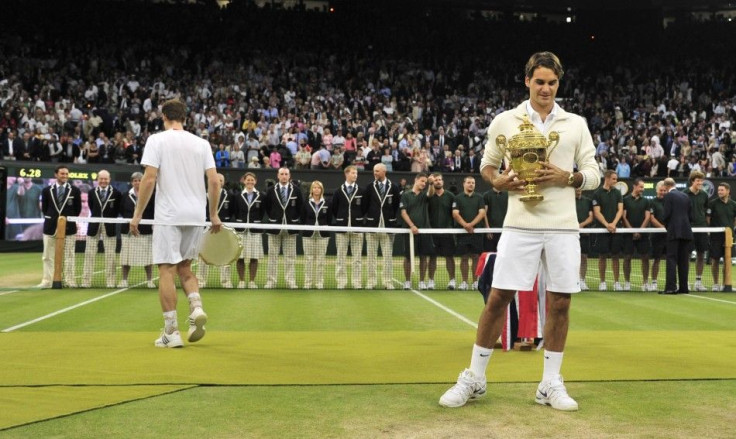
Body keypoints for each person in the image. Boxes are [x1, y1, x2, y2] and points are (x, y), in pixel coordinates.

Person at [439, 52, 600, 411]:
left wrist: (568, 177)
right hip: (519, 223)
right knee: (498, 298)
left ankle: (550, 384)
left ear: (559, 84)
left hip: (562, 227)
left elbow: (594, 173)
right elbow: (486, 166)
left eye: (552, 83)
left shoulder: (575, 123)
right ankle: (475, 378)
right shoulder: (504, 121)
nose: (545, 88)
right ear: (527, 80)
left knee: (561, 301)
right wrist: (498, 181)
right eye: (539, 81)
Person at [130, 99, 222, 349]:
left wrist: (137, 214)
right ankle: (196, 308)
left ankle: (171, 332)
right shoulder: (201, 143)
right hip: (195, 215)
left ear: (164, 117)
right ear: (185, 117)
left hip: (169, 215)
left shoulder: (156, 140)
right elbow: (214, 182)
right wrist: (213, 214)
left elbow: (149, 179)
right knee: (186, 268)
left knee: (166, 270)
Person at [38, 165, 82, 289]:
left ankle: (69, 280)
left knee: (69, 255)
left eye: (66, 174)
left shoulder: (75, 190)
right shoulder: (47, 190)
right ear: (56, 174)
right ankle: (47, 280)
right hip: (50, 227)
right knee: (47, 256)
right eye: (62, 174)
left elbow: (77, 209)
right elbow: (45, 209)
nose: (65, 176)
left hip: (69, 227)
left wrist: (66, 221)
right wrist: (53, 219)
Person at [263, 167, 304, 289]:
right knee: (272, 257)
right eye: (282, 174)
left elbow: (300, 207)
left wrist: (293, 219)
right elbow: (268, 207)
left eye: (286, 174)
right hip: (274, 227)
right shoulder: (270, 190)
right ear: (278, 176)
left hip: (290, 228)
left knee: (290, 257)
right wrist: (274, 218)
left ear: (289, 176)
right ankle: (271, 282)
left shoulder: (296, 190)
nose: (284, 176)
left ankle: (290, 281)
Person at [81, 170, 122, 288]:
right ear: (97, 179)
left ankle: (110, 282)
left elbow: (117, 209)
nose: (103, 181)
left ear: (109, 179)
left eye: (106, 179)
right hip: (94, 226)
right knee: (89, 254)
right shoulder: (91, 192)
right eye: (101, 179)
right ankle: (86, 282)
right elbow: (92, 207)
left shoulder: (116, 193)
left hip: (110, 228)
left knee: (111, 256)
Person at [364, 163, 401, 289]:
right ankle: (371, 282)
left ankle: (387, 282)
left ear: (384, 172)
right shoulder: (369, 187)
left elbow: (396, 205)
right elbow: (366, 205)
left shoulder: (394, 187)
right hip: (372, 226)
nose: (375, 173)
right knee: (371, 257)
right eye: (374, 171)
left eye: (377, 171)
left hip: (388, 226)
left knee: (388, 257)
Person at [330, 165, 365, 289]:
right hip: (341, 227)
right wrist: (341, 219)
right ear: (346, 174)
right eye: (353, 173)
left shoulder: (361, 190)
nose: (355, 175)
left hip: (357, 228)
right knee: (340, 257)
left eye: (356, 173)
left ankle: (357, 283)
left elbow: (364, 208)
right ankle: (341, 282)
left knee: (357, 258)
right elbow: (334, 208)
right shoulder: (338, 191)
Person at [118, 172, 155, 289]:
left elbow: (153, 211)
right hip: (128, 231)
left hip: (145, 230)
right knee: (126, 258)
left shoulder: (151, 195)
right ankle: (124, 280)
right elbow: (122, 210)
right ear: (132, 182)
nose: (137, 182)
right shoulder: (125, 195)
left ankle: (150, 281)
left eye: (139, 180)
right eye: (135, 180)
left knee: (148, 258)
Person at [197, 173, 234, 289]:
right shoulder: (203, 196)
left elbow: (232, 211)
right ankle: (201, 281)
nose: (219, 181)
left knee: (225, 255)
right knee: (203, 255)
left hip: (223, 230)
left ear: (223, 182)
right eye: (217, 179)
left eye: (221, 180)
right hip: (206, 230)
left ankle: (226, 281)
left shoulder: (230, 196)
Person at [399, 173, 435, 290]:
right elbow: (403, 213)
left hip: (424, 231)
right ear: (416, 180)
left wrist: (431, 183)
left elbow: (431, 193)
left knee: (423, 257)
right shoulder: (406, 195)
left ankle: (421, 281)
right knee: (408, 257)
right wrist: (412, 226)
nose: (424, 184)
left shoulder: (425, 195)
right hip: (409, 232)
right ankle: (407, 281)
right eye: (422, 181)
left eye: (425, 182)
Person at [659, 178, 693, 295]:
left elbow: (666, 215)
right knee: (684, 260)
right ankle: (684, 288)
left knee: (671, 259)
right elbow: (690, 215)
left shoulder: (669, 196)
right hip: (686, 232)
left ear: (667, 186)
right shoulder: (685, 196)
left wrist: (668, 227)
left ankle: (670, 288)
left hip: (674, 231)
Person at [452, 176, 486, 291]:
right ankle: (464, 282)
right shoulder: (458, 198)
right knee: (464, 257)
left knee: (476, 257)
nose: (471, 184)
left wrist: (471, 224)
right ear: (464, 184)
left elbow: (482, 213)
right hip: (463, 232)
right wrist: (465, 225)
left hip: (476, 232)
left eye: (473, 183)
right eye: (469, 182)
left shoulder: (480, 198)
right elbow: (455, 214)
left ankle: (475, 282)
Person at [592, 170, 624, 290]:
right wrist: (607, 225)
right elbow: (597, 212)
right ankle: (602, 282)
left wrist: (614, 224)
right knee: (602, 256)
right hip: (602, 230)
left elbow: (620, 210)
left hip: (615, 229)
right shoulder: (597, 194)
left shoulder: (618, 193)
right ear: (607, 178)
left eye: (616, 179)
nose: (616, 181)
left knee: (615, 256)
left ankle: (616, 282)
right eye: (614, 179)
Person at [233, 172, 264, 289]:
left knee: (254, 257)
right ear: (244, 181)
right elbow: (235, 211)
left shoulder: (261, 196)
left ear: (255, 181)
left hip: (255, 230)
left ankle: (251, 281)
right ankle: (241, 281)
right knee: (240, 257)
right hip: (241, 230)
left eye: (252, 180)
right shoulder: (238, 196)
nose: (250, 182)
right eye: (248, 180)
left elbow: (262, 212)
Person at [427, 172, 457, 290]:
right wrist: (429, 184)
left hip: (447, 232)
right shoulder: (429, 196)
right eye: (435, 180)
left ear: (443, 181)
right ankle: (430, 281)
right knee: (432, 257)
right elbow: (428, 194)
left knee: (449, 257)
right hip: (432, 232)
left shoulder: (450, 196)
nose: (438, 181)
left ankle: (452, 281)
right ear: (432, 182)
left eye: (439, 179)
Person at [622, 178, 652, 291]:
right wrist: (632, 231)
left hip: (642, 234)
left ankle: (645, 283)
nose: (642, 189)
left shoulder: (646, 201)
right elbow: (623, 217)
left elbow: (648, 217)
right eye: (641, 187)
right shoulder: (625, 200)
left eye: (643, 187)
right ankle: (627, 282)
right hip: (628, 234)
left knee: (645, 257)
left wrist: (639, 231)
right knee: (627, 257)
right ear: (634, 186)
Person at [706, 183, 736, 291]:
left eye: (722, 190)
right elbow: (708, 218)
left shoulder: (733, 204)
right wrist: (711, 231)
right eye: (719, 190)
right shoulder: (712, 204)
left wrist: (731, 230)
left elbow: (734, 220)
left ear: (728, 191)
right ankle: (715, 284)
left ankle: (725, 284)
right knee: (715, 260)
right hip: (716, 237)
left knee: (727, 260)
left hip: (729, 237)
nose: (719, 192)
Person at [684, 171, 709, 291]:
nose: (700, 183)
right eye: (698, 180)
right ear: (692, 181)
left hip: (701, 228)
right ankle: (686, 281)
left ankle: (698, 282)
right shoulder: (684, 194)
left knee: (701, 254)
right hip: (688, 228)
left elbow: (706, 211)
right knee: (686, 255)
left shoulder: (704, 195)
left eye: (701, 180)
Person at [302, 180, 330, 289]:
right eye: (314, 187)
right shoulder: (306, 202)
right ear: (311, 190)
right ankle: (307, 283)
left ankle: (319, 283)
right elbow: (303, 218)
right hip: (308, 234)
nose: (316, 189)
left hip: (323, 235)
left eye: (318, 188)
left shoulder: (327, 203)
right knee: (308, 259)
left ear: (321, 190)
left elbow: (328, 218)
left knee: (321, 260)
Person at [648, 181, 668, 292]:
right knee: (656, 260)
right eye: (661, 190)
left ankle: (671, 282)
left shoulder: (670, 202)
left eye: (665, 190)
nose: (663, 192)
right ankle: (654, 282)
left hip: (669, 236)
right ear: (657, 190)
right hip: (657, 236)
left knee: (671, 260)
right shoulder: (652, 202)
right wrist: (663, 228)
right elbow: (651, 218)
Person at [575, 187, 594, 290]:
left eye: (579, 189)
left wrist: (581, 225)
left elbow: (591, 217)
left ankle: (582, 280)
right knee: (572, 258)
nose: (578, 191)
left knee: (584, 257)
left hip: (584, 233)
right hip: (571, 233)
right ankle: (574, 280)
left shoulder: (588, 201)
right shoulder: (569, 202)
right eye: (576, 189)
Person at [482, 186, 508, 253]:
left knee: (503, 254)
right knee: (490, 255)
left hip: (504, 231)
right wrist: (488, 229)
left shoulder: (507, 194)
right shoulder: (486, 195)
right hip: (491, 232)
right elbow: (484, 213)